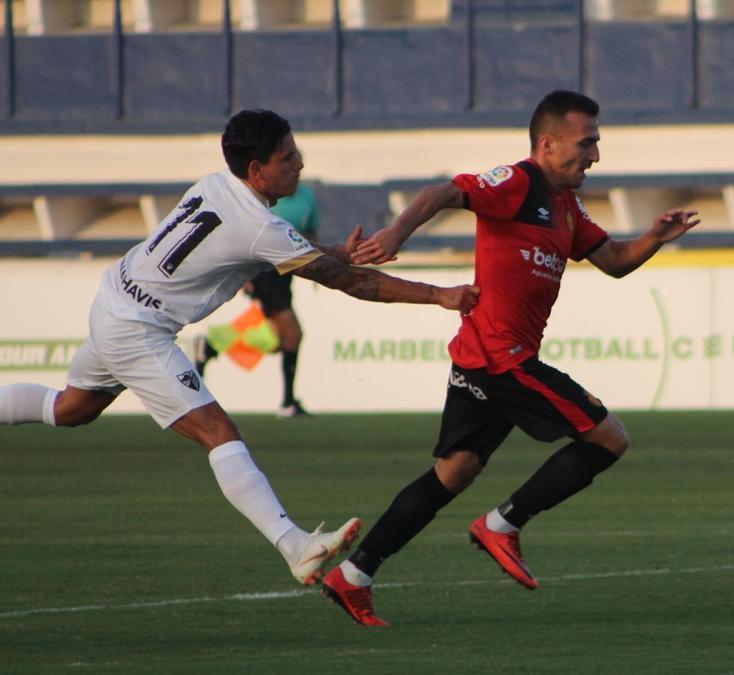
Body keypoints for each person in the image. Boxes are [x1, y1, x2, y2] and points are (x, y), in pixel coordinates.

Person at [0, 110, 479, 588]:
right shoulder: (258, 225)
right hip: (136, 328)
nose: (300, 164)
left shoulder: (215, 185)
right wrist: (439, 295)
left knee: (71, 409)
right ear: (257, 170)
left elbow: (279, 247)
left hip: (112, 300)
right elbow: (351, 284)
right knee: (219, 432)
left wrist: (336, 252)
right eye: (288, 157)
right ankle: (295, 546)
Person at [318, 90, 700, 626]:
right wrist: (395, 232)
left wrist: (656, 237)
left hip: (484, 357)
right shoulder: (519, 183)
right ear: (547, 143)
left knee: (454, 472)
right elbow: (442, 192)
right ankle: (502, 524)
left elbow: (613, 260)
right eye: (585, 142)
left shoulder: (566, 204)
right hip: (501, 357)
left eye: (596, 143)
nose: (594, 155)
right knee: (608, 437)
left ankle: (353, 575)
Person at [196, 182, 318, 417]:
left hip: (288, 269)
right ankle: (288, 403)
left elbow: (310, 233)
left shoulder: (307, 197)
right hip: (265, 270)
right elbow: (249, 236)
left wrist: (317, 266)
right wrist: (245, 274)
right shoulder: (267, 196)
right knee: (293, 335)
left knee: (276, 342)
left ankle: (212, 344)